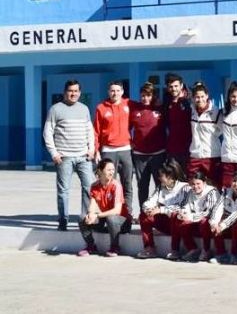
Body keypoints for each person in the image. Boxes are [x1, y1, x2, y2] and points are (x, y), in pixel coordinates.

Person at [43, 79, 95, 231]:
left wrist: (91, 149)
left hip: (84, 157)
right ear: (65, 92)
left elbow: (89, 130)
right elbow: (48, 132)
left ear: (80, 92)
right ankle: (63, 219)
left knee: (89, 188)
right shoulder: (55, 109)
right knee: (63, 190)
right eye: (70, 91)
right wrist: (54, 153)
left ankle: (85, 218)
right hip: (64, 157)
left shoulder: (84, 109)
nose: (73, 93)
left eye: (76, 91)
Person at [77, 158, 132, 257]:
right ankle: (91, 246)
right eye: (109, 170)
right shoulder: (94, 186)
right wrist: (90, 215)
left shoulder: (116, 185)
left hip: (121, 221)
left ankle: (115, 247)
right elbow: (92, 206)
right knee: (82, 218)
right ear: (100, 171)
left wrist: (97, 215)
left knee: (111, 219)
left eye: (113, 170)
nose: (112, 172)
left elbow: (117, 210)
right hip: (106, 219)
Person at [94, 80, 134, 212]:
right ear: (108, 92)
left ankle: (127, 212)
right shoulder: (101, 107)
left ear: (122, 92)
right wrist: (96, 150)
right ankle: (110, 212)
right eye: (112, 90)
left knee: (127, 183)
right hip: (108, 151)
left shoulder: (129, 104)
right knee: (109, 184)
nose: (115, 93)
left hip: (126, 150)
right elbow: (96, 131)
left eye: (117, 90)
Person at [136, 160, 188, 260]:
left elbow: (183, 208)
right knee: (144, 215)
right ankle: (149, 247)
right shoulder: (160, 188)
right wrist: (148, 209)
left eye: (161, 176)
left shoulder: (184, 188)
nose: (159, 178)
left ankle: (175, 250)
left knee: (175, 215)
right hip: (165, 224)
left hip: (179, 225)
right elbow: (148, 202)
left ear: (171, 177)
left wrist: (161, 209)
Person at [130, 82, 167, 213]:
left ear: (153, 96)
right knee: (142, 185)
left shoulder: (161, 109)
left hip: (158, 154)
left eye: (148, 95)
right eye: (143, 95)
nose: (145, 98)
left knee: (160, 185)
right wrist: (130, 142)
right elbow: (127, 128)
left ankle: (160, 214)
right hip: (140, 155)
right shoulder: (134, 110)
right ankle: (143, 213)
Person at [176, 170, 220, 262]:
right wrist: (183, 213)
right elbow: (185, 205)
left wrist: (190, 217)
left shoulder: (212, 192)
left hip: (208, 221)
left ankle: (206, 250)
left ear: (204, 182)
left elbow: (209, 211)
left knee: (204, 221)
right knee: (180, 220)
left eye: (198, 183)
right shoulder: (190, 192)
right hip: (194, 219)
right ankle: (192, 249)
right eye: (193, 184)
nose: (195, 186)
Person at [209, 171, 237, 264]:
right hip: (227, 218)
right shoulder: (226, 191)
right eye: (234, 181)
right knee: (214, 224)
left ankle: (235, 254)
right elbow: (217, 208)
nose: (236, 184)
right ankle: (221, 253)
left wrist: (222, 226)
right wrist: (214, 223)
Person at [187, 82, 222, 186]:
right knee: (192, 185)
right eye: (197, 97)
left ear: (207, 96)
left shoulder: (215, 112)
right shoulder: (191, 110)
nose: (200, 99)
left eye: (202, 96)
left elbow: (223, 131)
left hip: (211, 155)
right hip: (195, 154)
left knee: (213, 186)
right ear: (193, 98)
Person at [164, 73, 192, 168]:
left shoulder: (189, 101)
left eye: (176, 86)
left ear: (181, 85)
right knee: (174, 179)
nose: (174, 89)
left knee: (187, 179)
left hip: (188, 148)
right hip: (172, 148)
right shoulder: (167, 102)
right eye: (171, 86)